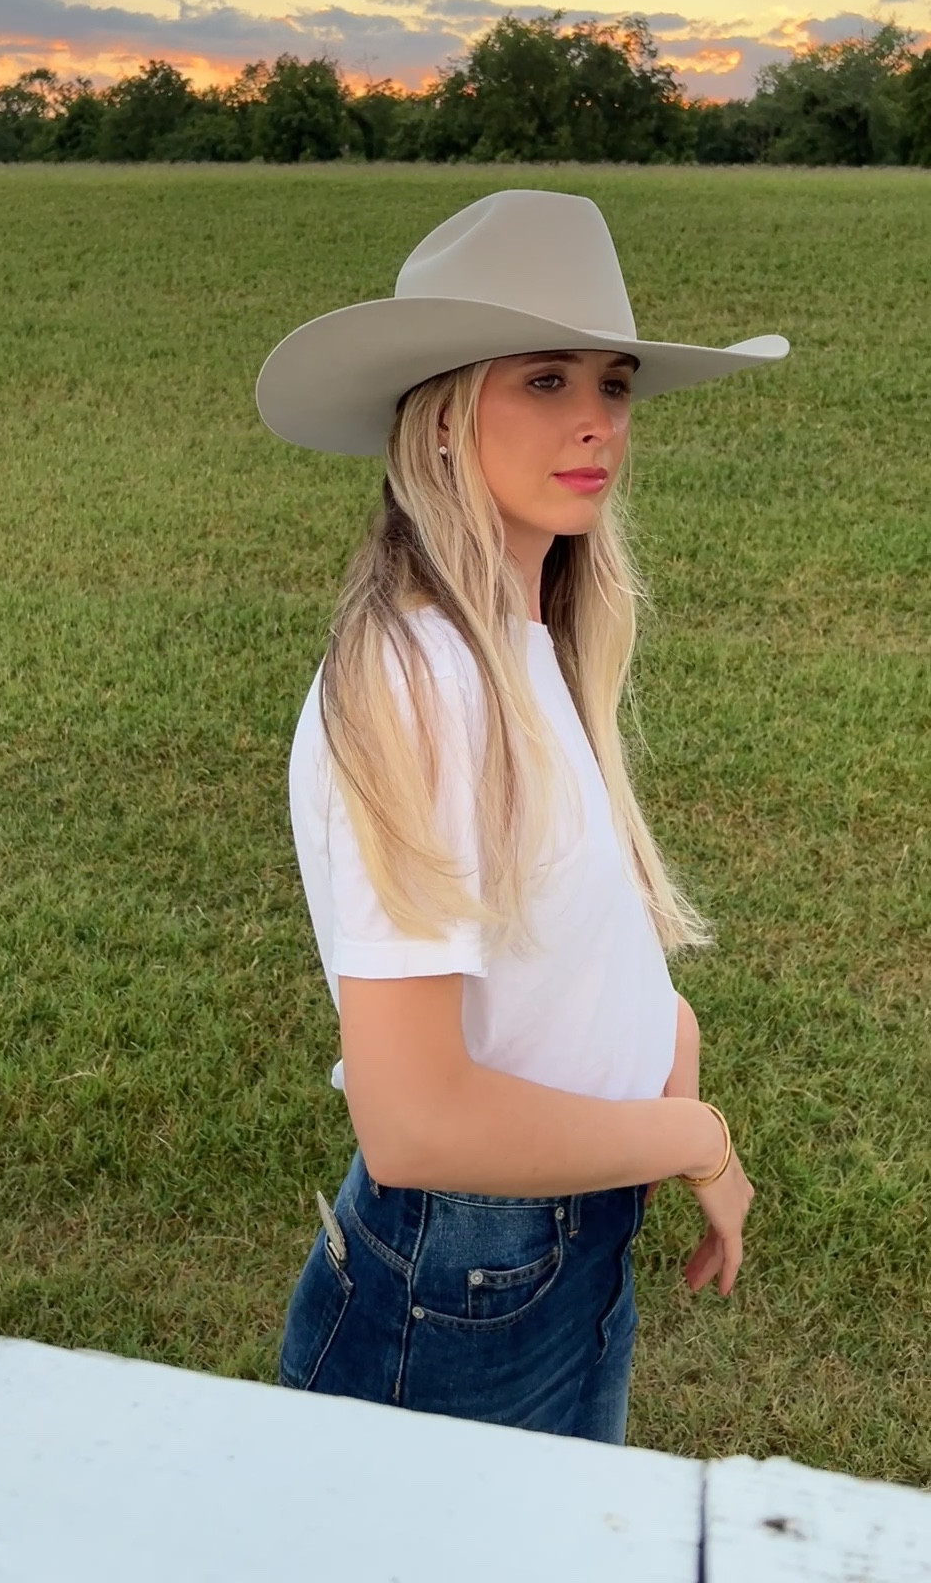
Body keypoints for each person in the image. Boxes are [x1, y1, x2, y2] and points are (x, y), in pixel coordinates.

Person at [253, 188, 787, 1443]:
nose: (598, 420)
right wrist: (694, 1136)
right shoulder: (415, 679)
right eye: (543, 381)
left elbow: (551, 923)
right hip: (464, 1284)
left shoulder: (521, 638)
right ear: (441, 422)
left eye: (611, 381)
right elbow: (416, 1121)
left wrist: (669, 1030)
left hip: (557, 1239)